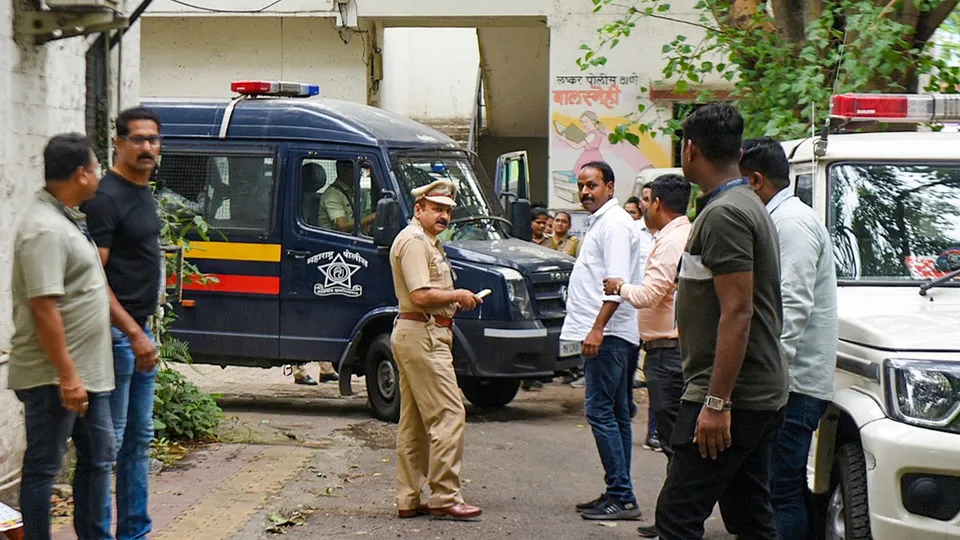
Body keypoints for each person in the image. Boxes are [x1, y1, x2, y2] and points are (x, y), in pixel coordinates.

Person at [655, 104, 787, 540]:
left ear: (690, 149)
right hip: (749, 393)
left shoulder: (726, 213)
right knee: (749, 516)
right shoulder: (740, 203)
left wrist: (716, 403)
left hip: (732, 396)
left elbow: (738, 310)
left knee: (677, 516)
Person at [10, 134, 115, 540]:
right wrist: (68, 376)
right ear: (81, 173)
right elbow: (43, 307)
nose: (100, 174)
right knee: (44, 467)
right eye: (96, 166)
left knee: (97, 460)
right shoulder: (44, 229)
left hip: (88, 374)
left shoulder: (65, 217)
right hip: (54, 377)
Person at [741, 137, 838, 540]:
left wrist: (768, 375)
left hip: (792, 384)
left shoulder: (791, 223)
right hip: (789, 381)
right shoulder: (781, 219)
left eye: (740, 183)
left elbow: (792, 305)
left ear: (757, 180)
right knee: (781, 486)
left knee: (779, 489)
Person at [81, 106, 164, 540]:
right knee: (106, 446)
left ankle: (134, 533)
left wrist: (142, 331)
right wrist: (132, 332)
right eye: (138, 139)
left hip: (138, 332)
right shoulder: (106, 197)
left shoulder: (143, 191)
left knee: (138, 442)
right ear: (118, 143)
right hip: (115, 335)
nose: (147, 147)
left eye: (153, 139)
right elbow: (94, 279)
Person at [602, 174, 691, 539]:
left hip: (669, 352)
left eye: (647, 200)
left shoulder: (671, 241)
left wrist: (620, 286)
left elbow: (652, 294)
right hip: (670, 349)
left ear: (657, 203)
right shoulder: (679, 234)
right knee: (675, 442)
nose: (643, 207)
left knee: (673, 443)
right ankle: (675, 519)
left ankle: (675, 523)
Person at [389, 179, 484, 521]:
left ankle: (409, 497)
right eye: (437, 209)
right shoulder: (415, 242)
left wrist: (454, 300)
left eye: (447, 210)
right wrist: (458, 296)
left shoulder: (428, 241)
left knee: (414, 422)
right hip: (423, 333)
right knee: (449, 413)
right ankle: (445, 496)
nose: (444, 215)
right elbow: (421, 295)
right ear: (419, 209)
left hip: (424, 333)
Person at [562, 161, 642, 521]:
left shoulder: (614, 225)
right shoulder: (604, 223)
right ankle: (618, 491)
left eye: (592, 185)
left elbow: (616, 284)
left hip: (608, 335)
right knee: (618, 414)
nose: (584, 192)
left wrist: (597, 329)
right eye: (580, 186)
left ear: (610, 187)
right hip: (611, 334)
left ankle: (622, 496)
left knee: (600, 412)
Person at [318, 160, 376, 234]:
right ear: (350, 173)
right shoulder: (332, 195)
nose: (360, 176)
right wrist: (372, 217)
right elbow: (343, 227)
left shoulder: (350, 190)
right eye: (359, 172)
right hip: (335, 240)